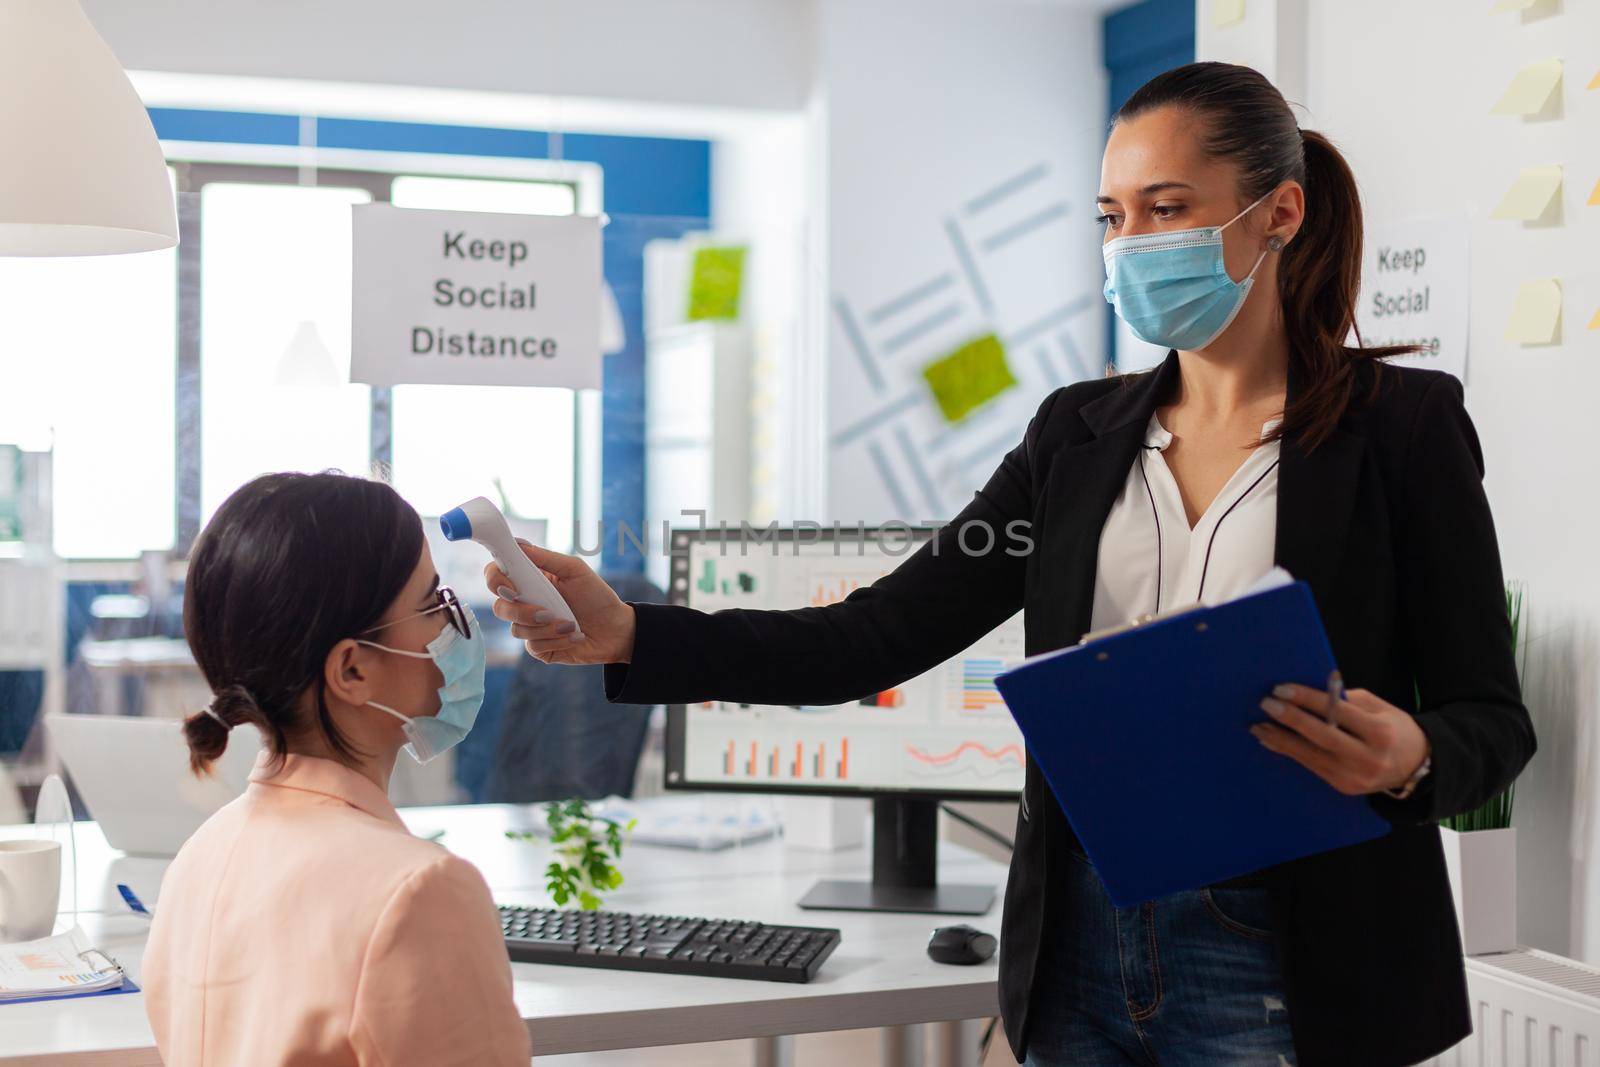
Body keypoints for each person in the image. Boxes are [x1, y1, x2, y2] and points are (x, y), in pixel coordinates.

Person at [489, 62, 1535, 1067]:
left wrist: (1408, 757)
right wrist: (634, 632)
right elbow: (874, 632)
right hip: (1078, 936)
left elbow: (1489, 717)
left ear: (1278, 214)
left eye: (1167, 208)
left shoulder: (1401, 428)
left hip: (1284, 945)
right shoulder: (1073, 436)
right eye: (1112, 216)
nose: (1131, 242)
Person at [143, 472, 529, 1067]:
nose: (457, 626)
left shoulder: (199, 855)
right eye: (433, 604)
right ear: (351, 671)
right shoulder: (419, 894)